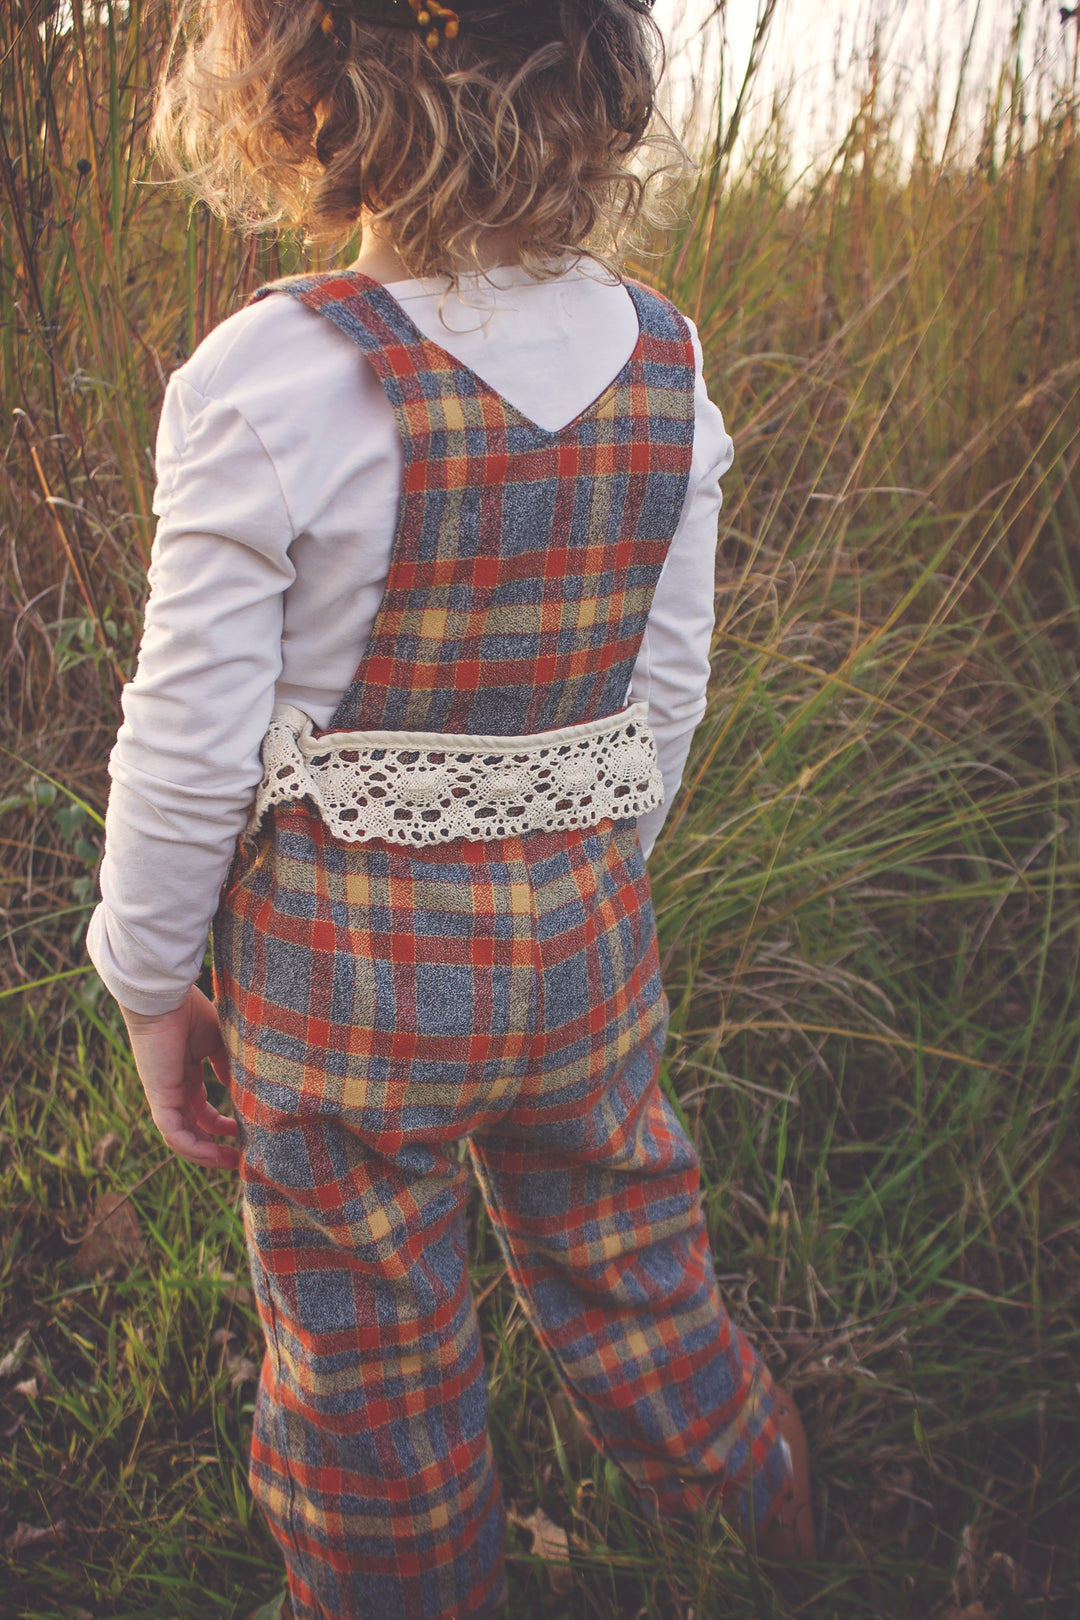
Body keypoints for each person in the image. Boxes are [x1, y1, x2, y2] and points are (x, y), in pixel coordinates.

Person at [86, 0, 815, 1614]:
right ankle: (770, 1519)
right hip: (582, 944)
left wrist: (150, 985)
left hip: (342, 989)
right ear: (602, 94)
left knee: (368, 1348)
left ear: (303, 98)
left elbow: (188, 742)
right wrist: (583, 884)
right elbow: (665, 692)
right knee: (636, 1255)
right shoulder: (665, 359)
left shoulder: (269, 374)